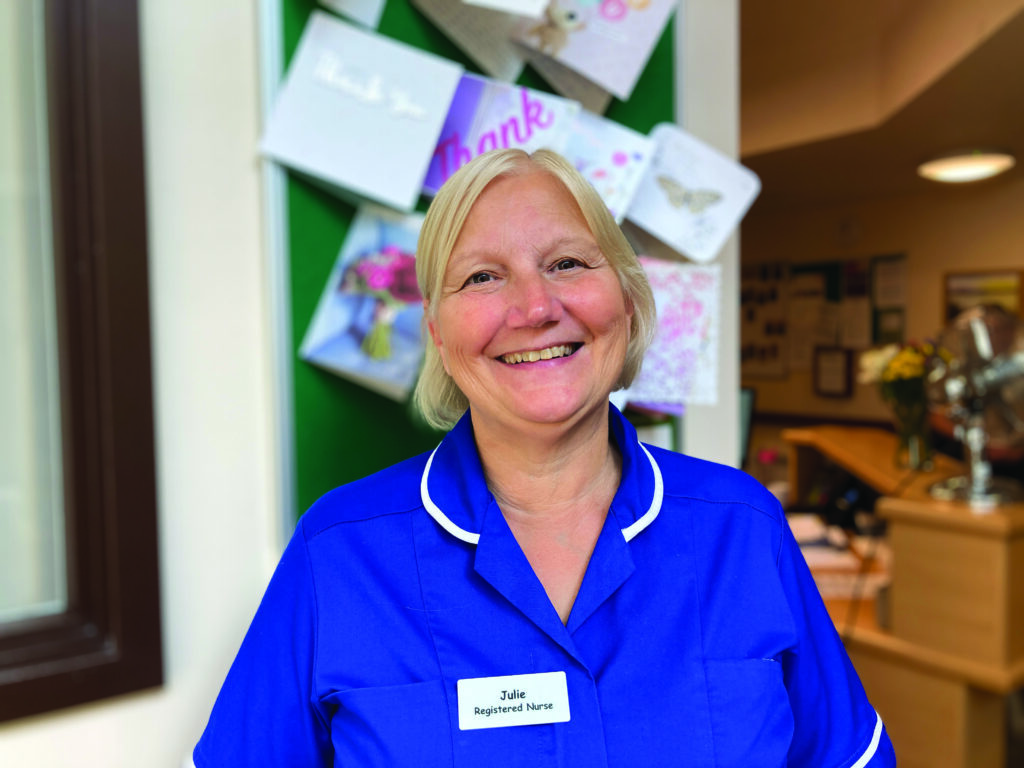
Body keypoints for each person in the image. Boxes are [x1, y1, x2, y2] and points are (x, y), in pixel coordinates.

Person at [193, 148, 896, 766]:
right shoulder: (338, 551)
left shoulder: (742, 527)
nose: (534, 307)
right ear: (438, 332)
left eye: (566, 263)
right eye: (483, 278)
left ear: (625, 299)